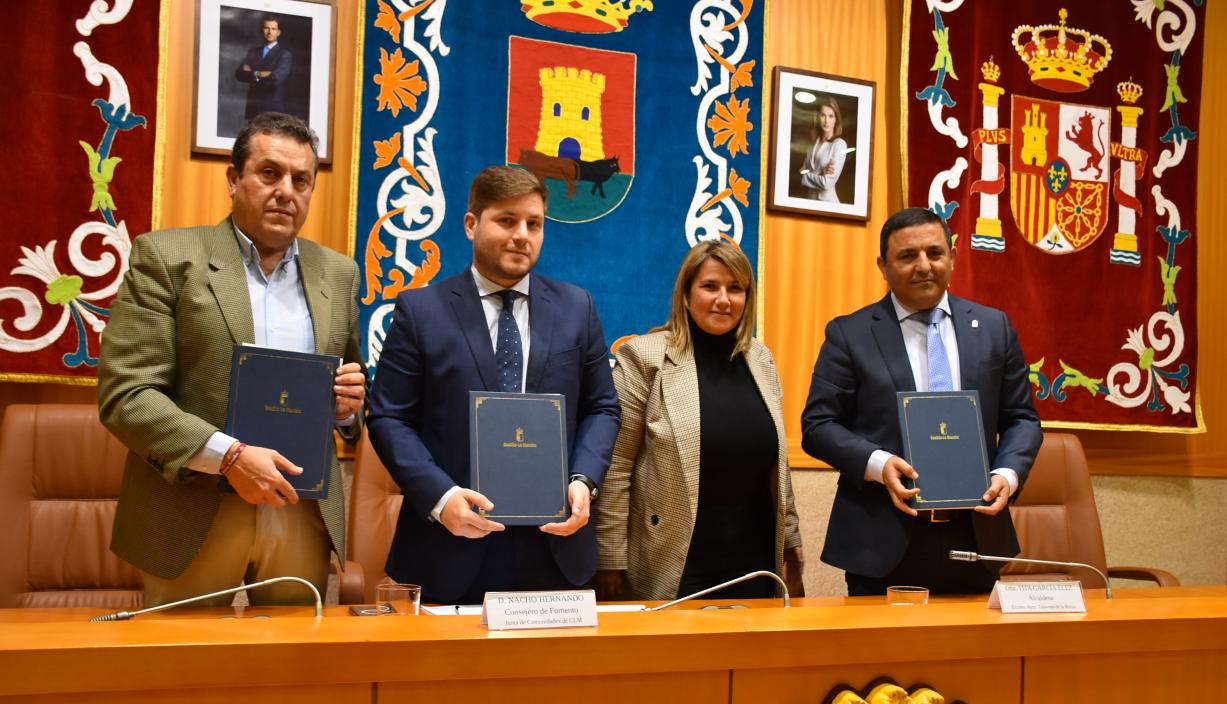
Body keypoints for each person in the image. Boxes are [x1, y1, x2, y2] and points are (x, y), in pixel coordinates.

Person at [98, 112, 365, 607]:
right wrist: (233, 458)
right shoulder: (167, 257)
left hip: (300, 510)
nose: (287, 191)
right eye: (269, 173)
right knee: (184, 672)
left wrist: (348, 409)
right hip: (194, 508)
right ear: (233, 179)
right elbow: (127, 396)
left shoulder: (339, 273)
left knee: (290, 674)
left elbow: (347, 389)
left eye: (301, 180)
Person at [367, 165, 621, 605]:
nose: (523, 234)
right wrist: (440, 497)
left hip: (555, 546)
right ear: (471, 224)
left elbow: (602, 407)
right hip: (449, 545)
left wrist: (584, 481)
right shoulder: (420, 311)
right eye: (507, 220)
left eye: (534, 224)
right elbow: (389, 417)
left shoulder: (577, 308)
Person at [800, 207, 1042, 596]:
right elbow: (818, 426)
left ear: (953, 257)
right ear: (883, 265)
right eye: (907, 256)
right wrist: (878, 464)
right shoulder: (850, 333)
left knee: (976, 657)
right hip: (881, 540)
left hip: (975, 535)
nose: (924, 266)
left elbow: (1022, 419)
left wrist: (1007, 475)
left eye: (935, 252)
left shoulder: (994, 328)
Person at [594, 240, 804, 602]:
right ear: (687, 295)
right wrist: (610, 558)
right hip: (674, 559)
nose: (724, 299)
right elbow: (616, 469)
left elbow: (778, 467)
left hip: (754, 561)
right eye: (710, 286)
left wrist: (790, 542)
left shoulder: (761, 360)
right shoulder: (644, 357)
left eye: (735, 288)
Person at [235, 15, 293, 122]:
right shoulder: (253, 52)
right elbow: (239, 74)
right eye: (266, 28)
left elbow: (275, 79)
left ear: (278, 32)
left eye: (273, 29)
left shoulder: (284, 54)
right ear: (262, 30)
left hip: (272, 110)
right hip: (253, 109)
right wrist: (259, 73)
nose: (269, 32)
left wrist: (252, 72)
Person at [799, 96, 848, 203]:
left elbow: (826, 183)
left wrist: (807, 176)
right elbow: (801, 173)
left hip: (828, 204)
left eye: (831, 116)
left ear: (836, 120)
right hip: (810, 201)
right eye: (823, 115)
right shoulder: (813, 144)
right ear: (817, 117)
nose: (826, 121)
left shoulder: (839, 145)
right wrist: (820, 174)